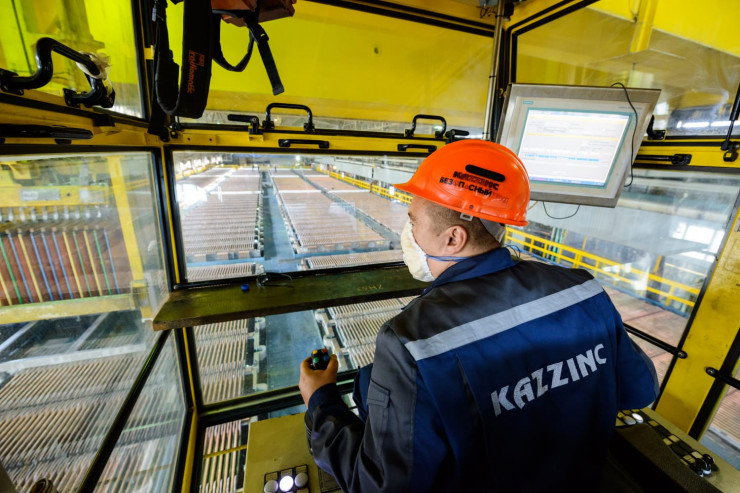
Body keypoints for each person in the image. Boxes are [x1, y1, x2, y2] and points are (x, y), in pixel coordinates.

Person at [299, 139, 658, 492]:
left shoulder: (412, 341)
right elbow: (640, 389)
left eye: (413, 221)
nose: (408, 233)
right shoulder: (583, 289)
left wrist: (321, 401)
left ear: (453, 239)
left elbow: (379, 486)